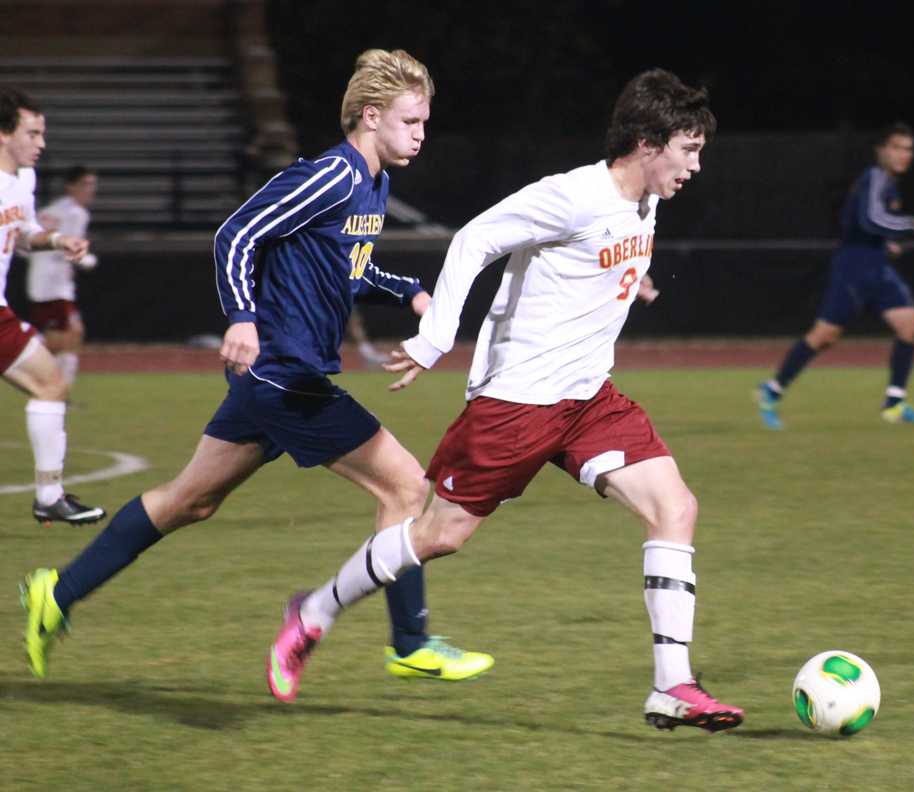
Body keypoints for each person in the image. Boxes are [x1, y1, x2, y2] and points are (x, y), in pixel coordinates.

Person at [267, 68, 745, 733]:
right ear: (645, 140)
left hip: (588, 399)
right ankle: (313, 612)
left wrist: (630, 280)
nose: (695, 165)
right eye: (687, 149)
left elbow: (601, 257)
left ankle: (673, 686)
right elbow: (474, 240)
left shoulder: (647, 200)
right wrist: (435, 338)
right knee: (438, 536)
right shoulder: (572, 195)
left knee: (675, 507)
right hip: (517, 403)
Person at [20, 50, 492, 685]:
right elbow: (235, 235)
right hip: (283, 375)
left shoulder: (372, 183)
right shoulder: (330, 175)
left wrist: (407, 290)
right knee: (407, 489)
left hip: (276, 376)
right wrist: (241, 315)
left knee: (190, 500)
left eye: (425, 122)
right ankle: (408, 642)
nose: (421, 134)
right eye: (411, 121)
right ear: (371, 116)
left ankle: (59, 591)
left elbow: (347, 265)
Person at [757, 122, 914, 430]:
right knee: (824, 336)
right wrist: (911, 224)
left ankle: (894, 404)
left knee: (910, 325)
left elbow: (862, 222)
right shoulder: (876, 177)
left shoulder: (887, 183)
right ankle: (772, 392)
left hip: (876, 265)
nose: (903, 154)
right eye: (896, 147)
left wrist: (886, 243)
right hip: (853, 268)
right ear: (881, 150)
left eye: (908, 149)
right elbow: (871, 219)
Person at [0, 87, 106, 526]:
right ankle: (48, 496)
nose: (41, 143)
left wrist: (58, 240)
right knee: (51, 384)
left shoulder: (22, 180)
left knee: (51, 384)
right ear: (4, 134)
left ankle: (50, 495)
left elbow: (23, 232)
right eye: (33, 132)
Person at [25, 165, 99, 388]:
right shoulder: (76, 213)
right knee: (64, 340)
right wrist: (87, 260)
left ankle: (57, 392)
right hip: (54, 286)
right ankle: (55, 393)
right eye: (85, 184)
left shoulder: (50, 210)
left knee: (68, 337)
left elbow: (26, 243)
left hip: (41, 284)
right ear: (71, 186)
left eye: (92, 184)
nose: (91, 190)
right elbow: (70, 250)